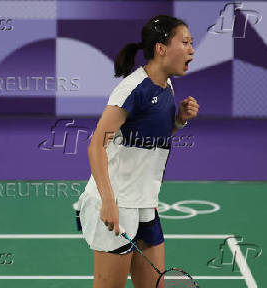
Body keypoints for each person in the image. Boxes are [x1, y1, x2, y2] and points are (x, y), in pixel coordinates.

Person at [74, 15, 199, 288]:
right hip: (117, 204)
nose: (191, 50)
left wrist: (178, 121)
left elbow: (150, 139)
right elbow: (96, 145)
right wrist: (108, 202)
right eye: (185, 42)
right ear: (161, 49)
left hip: (145, 204)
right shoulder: (132, 89)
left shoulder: (167, 86)